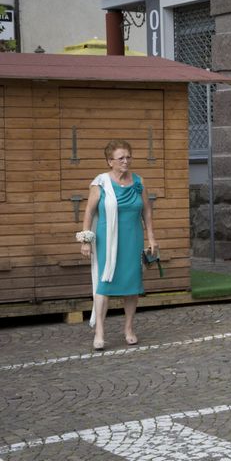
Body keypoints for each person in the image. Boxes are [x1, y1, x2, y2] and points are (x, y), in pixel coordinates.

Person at [78, 140, 157, 350]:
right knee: (104, 284)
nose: (126, 161)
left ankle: (129, 328)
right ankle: (100, 332)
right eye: (121, 158)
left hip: (133, 239)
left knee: (132, 285)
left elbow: (147, 211)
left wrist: (151, 238)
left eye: (128, 157)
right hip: (107, 240)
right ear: (109, 161)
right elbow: (88, 211)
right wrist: (86, 240)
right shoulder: (101, 183)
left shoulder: (139, 181)